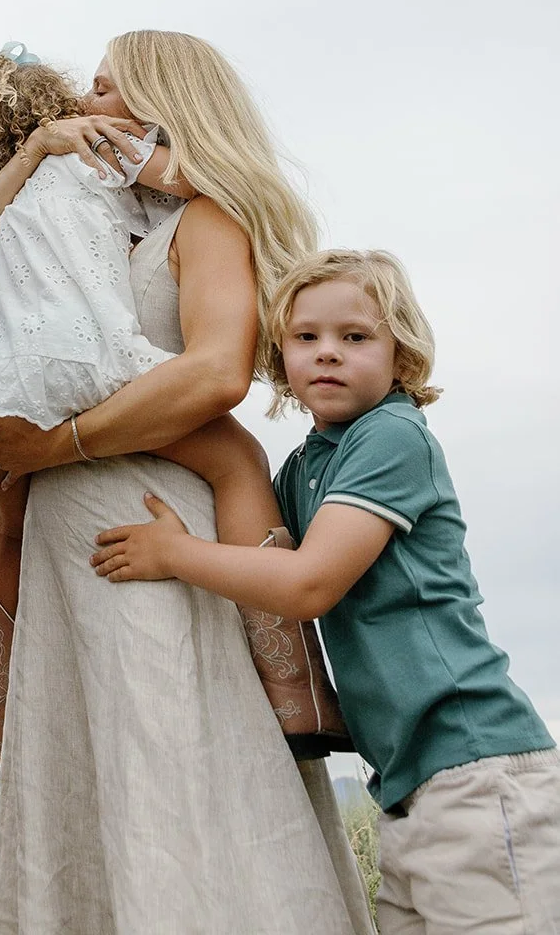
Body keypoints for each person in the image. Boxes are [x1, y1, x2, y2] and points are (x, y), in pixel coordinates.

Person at [0, 32, 375, 935]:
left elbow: (215, 375)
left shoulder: (206, 218)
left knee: (168, 753)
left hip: (143, 521)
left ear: (161, 105)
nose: (87, 101)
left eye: (109, 88)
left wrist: (56, 445)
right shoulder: (91, 220)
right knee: (80, 768)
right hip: (70, 531)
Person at [93, 248, 560, 934]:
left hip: (476, 772)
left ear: (400, 356)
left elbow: (306, 583)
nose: (327, 354)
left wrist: (176, 553)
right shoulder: (310, 463)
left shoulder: (392, 436)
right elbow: (260, 552)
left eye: (354, 337)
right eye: (304, 338)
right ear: (278, 356)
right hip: (407, 787)